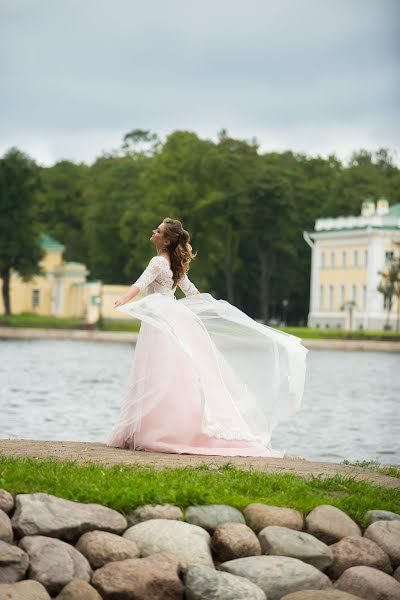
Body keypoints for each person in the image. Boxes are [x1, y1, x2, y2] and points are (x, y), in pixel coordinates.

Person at [107, 217, 308, 457]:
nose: (154, 231)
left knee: (157, 373)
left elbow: (140, 284)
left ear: (166, 240)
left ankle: (154, 430)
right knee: (168, 374)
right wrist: (209, 306)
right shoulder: (173, 263)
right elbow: (190, 291)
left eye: (158, 230)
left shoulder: (158, 262)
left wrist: (123, 300)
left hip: (161, 322)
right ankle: (152, 428)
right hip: (169, 319)